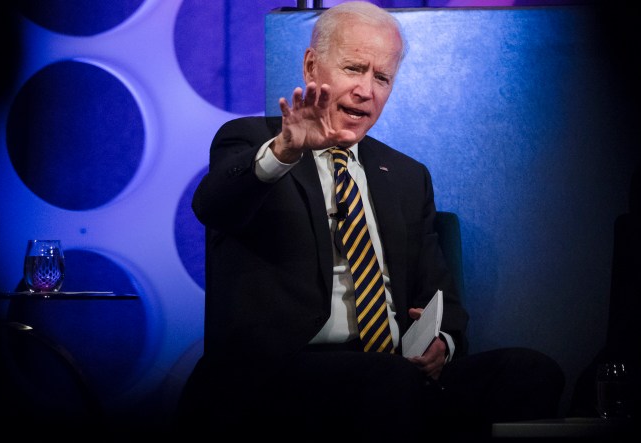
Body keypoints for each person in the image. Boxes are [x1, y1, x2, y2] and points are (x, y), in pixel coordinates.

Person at [176, 2, 563, 439]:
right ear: (310, 65)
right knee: (388, 381)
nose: (366, 90)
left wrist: (442, 344)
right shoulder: (253, 141)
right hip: (284, 378)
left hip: (393, 374)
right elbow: (214, 207)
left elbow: (442, 299)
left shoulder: (406, 175)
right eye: (354, 68)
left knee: (531, 372)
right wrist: (285, 151)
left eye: (382, 78)